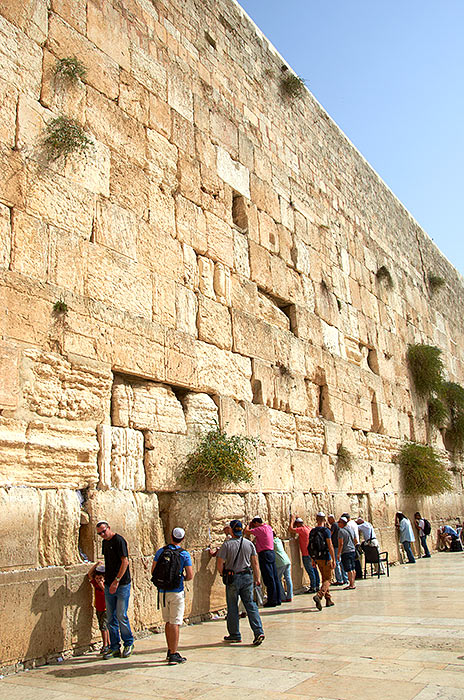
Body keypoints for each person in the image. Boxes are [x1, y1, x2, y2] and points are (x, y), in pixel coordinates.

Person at [216, 520, 265, 645]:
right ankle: (258, 631)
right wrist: (257, 578)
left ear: (232, 530)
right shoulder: (249, 544)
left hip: (233, 577)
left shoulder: (227, 545)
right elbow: (255, 563)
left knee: (232, 606)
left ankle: (234, 634)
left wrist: (223, 574)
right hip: (247, 576)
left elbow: (220, 563)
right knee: (250, 604)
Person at [152, 527, 193, 665]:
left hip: (163, 592)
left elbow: (153, 571)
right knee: (175, 622)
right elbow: (190, 575)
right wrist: (182, 578)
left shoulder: (161, 551)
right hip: (176, 591)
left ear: (171, 536)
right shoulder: (184, 554)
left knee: (168, 622)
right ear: (183, 538)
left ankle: (170, 650)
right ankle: (174, 654)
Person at [96, 520, 134, 659]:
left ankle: (129, 643)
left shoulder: (119, 540)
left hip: (121, 584)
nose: (102, 534)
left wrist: (117, 580)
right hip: (109, 584)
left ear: (109, 528)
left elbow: (125, 561)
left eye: (103, 531)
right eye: (99, 533)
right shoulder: (105, 543)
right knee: (110, 617)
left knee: (121, 615)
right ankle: (114, 647)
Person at [245, 517, 281, 607]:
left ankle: (272, 600)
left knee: (269, 578)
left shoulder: (259, 529)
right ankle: (278, 599)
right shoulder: (268, 527)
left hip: (265, 554)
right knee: (275, 577)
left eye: (254, 525)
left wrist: (248, 525)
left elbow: (247, 531)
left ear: (256, 523)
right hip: (271, 553)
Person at [309, 513, 335, 610]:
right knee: (328, 579)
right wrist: (333, 559)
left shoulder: (312, 531)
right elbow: (330, 545)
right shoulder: (326, 531)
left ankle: (328, 599)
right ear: (324, 520)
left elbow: (311, 546)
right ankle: (319, 595)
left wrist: (312, 559)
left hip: (317, 558)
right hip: (326, 558)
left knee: (324, 578)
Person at [289, 513, 320, 593]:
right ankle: (317, 585)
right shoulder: (308, 528)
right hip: (312, 553)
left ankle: (313, 587)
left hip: (306, 554)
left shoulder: (301, 530)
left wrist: (292, 520)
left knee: (310, 571)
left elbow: (290, 529)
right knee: (314, 569)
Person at [87, 562, 110, 654]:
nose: (98, 580)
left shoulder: (106, 586)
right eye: (97, 578)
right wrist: (96, 564)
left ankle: (105, 645)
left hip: (105, 609)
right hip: (98, 608)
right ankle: (108, 643)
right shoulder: (95, 584)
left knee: (103, 627)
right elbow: (89, 574)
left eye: (100, 578)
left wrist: (102, 586)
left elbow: (108, 595)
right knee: (103, 627)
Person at [337, 516, 357, 589]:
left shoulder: (341, 531)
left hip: (346, 551)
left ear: (342, 523)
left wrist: (338, 553)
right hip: (352, 550)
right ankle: (353, 582)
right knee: (353, 568)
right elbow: (355, 540)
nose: (338, 523)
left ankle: (351, 584)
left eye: (339, 522)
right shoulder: (351, 529)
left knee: (349, 569)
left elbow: (341, 543)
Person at [327, 514, 347, 585]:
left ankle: (339, 579)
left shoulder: (334, 525)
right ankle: (345, 578)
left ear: (332, 519)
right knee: (341, 563)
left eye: (329, 519)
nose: (328, 521)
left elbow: (330, 534)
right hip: (338, 546)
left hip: (335, 546)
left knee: (336, 563)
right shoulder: (337, 525)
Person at [342, 512, 363, 579]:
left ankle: (355, 576)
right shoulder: (354, 523)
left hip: (352, 544)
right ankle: (359, 574)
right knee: (356, 560)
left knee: (352, 563)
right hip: (356, 543)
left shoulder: (348, 525)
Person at [273, 531, 293, 602]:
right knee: (288, 578)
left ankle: (282, 597)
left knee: (278, 579)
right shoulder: (278, 540)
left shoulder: (272, 542)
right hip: (287, 560)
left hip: (280, 562)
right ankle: (290, 596)